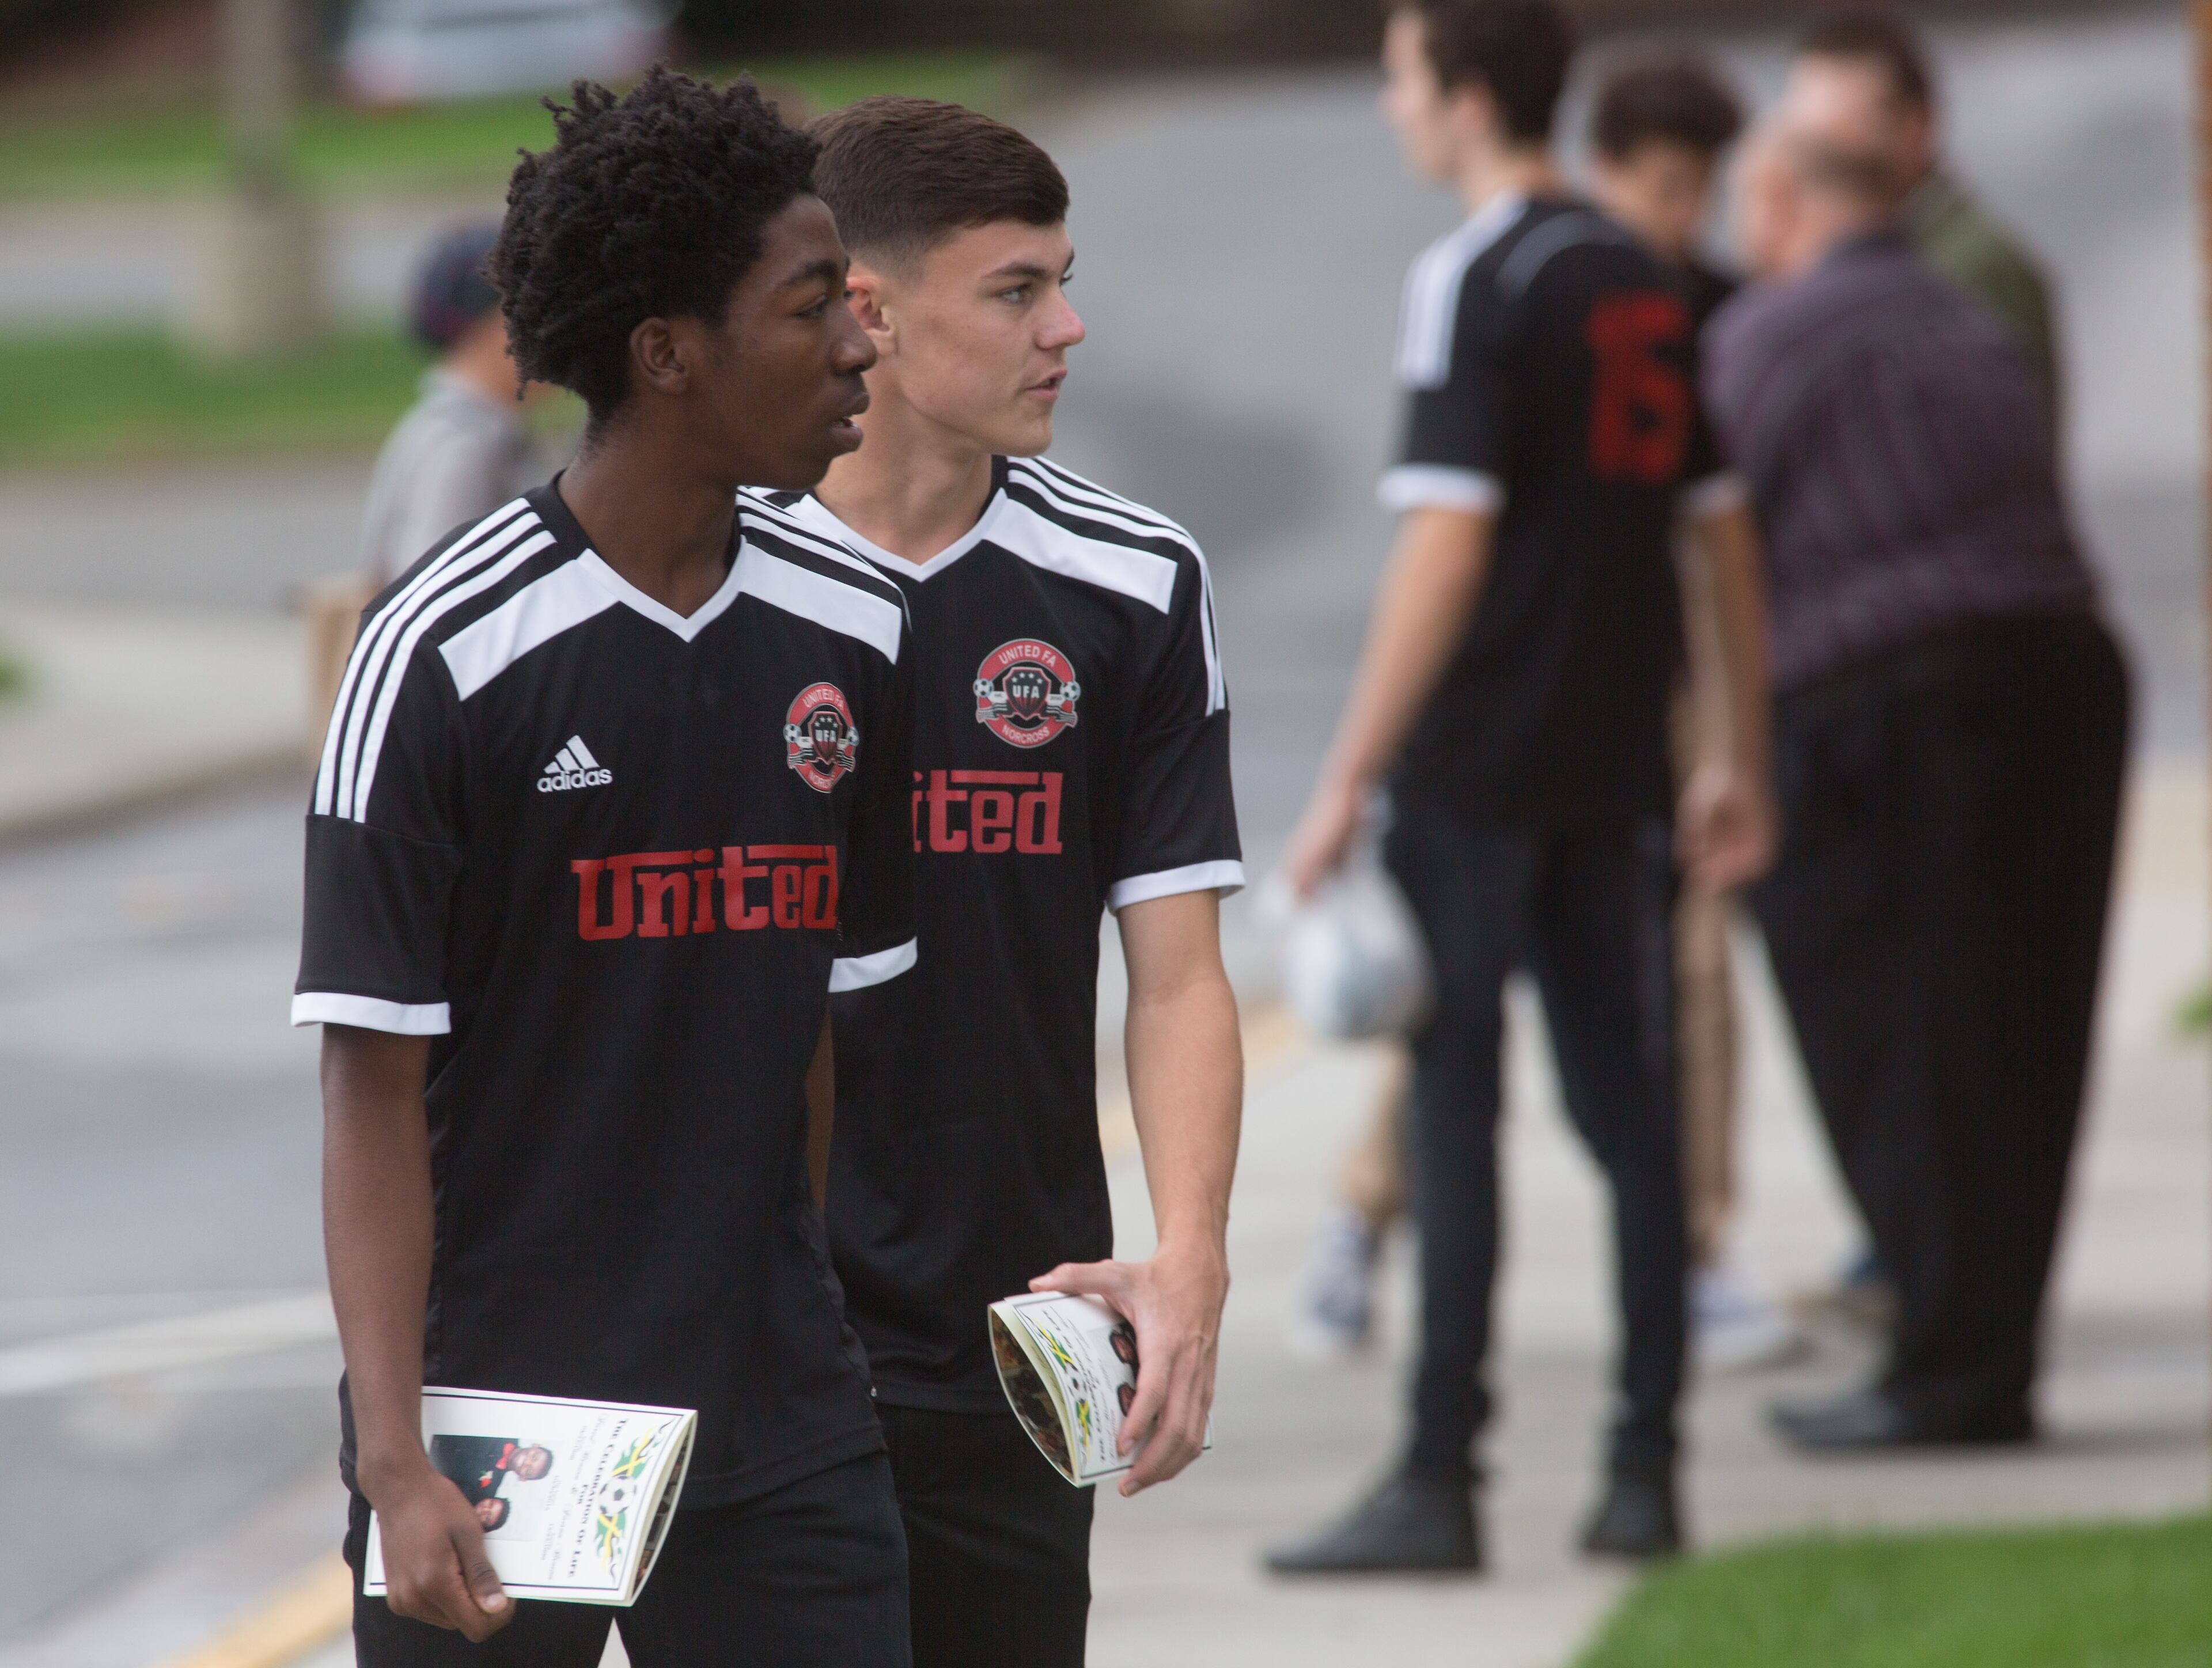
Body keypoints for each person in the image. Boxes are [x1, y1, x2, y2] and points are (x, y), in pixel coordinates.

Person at [298, 70, 919, 1665]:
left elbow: (817, 1030)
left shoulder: (856, 627)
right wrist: (394, 1458)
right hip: (498, 1433)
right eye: (809, 309)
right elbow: (369, 1084)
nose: (860, 347)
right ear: (667, 353)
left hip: (779, 1418)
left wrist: (804, 1312)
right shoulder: (440, 654)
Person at [1266, 0, 1771, 1574]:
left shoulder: (1474, 275)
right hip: (1614, 764)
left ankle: (1440, 1479)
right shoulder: (1643, 273)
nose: (1390, 105)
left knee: (1454, 1113)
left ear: (1469, 96)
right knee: (1634, 1118)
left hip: (1477, 761)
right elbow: (1719, 533)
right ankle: (1644, 1471)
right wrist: (1734, 750)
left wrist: (1346, 774)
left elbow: (1445, 541)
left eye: (1401, 77)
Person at [774, 96, 1245, 1667]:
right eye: (1016, 290)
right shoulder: (716, 585)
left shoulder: (1132, 582)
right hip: (764, 1332)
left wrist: (1189, 1259)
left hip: (1020, 1323)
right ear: (868, 310)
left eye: (1063, 283)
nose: (1067, 327)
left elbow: (1179, 974)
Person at [1706, 125, 2127, 1451]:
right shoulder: (1961, 318)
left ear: (1785, 204)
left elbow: (1707, 528)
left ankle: (1947, 1364)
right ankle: (1981, 1355)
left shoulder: (1774, 335)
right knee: (2020, 1034)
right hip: (2063, 676)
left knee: (1893, 1039)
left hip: (1891, 711)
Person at [1586, 54, 1798, 1374]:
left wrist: (1733, 733)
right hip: (1557, 687)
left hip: (1673, 686)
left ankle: (1701, 1242)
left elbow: (1729, 546)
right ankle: (1365, 1207)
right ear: (1603, 169)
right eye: (1664, 184)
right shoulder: (1551, 295)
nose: (1684, 214)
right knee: (1481, 952)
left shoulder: (1720, 310)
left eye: (1702, 187)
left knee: (1698, 959)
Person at [1786, 12, 2061, 423]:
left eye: (1842, 138)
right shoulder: (1825, 256)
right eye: (1805, 141)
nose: (1817, 166)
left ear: (1918, 126)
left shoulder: (1977, 266)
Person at [360, 223, 552, 589]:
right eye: (537, 314)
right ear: (492, 326)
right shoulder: (460, 445)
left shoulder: (483, 430)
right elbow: (434, 589)